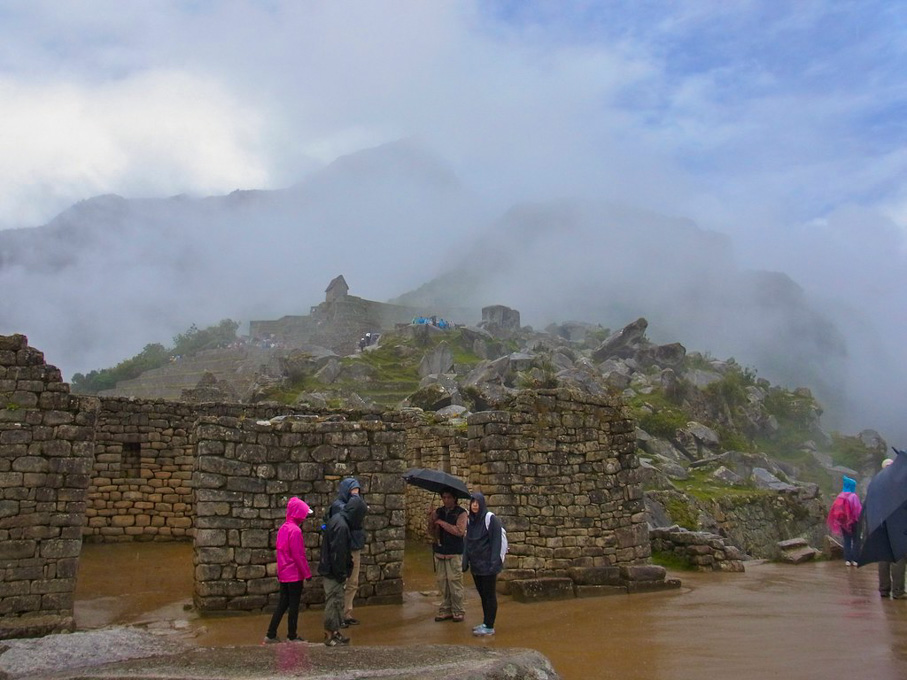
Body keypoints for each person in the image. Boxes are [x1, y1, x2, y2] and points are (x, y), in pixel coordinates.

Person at [319, 494, 367, 646]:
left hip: (331, 570)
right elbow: (338, 554)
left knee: (337, 602)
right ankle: (330, 635)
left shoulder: (338, 520)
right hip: (333, 572)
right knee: (334, 602)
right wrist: (342, 574)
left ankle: (335, 632)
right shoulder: (342, 526)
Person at [263, 497, 313, 644]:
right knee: (294, 606)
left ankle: (271, 633)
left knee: (282, 604)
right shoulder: (296, 531)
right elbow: (299, 556)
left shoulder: (283, 528)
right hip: (294, 575)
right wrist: (307, 574)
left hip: (284, 573)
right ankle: (292, 635)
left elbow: (281, 551)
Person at [327, 478, 368, 628]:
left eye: (357, 490)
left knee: (353, 582)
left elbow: (360, 509)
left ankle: (346, 612)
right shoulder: (338, 506)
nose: (355, 493)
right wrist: (356, 498)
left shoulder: (355, 503)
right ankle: (339, 615)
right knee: (341, 583)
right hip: (343, 548)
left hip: (355, 547)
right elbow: (352, 512)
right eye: (352, 490)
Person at [462, 491, 503, 636]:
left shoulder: (490, 519)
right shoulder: (470, 521)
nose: (474, 505)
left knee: (489, 595)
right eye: (473, 502)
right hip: (476, 566)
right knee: (483, 595)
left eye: (477, 502)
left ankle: (490, 626)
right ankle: (486, 622)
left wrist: (494, 562)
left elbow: (496, 541)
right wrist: (465, 560)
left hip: (488, 566)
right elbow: (468, 542)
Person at [428, 488, 467, 623]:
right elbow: (431, 532)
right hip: (440, 551)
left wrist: (442, 523)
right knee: (442, 582)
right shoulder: (439, 512)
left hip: (454, 552)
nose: (446, 500)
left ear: (454, 498)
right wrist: (431, 519)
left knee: (454, 582)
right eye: (444, 497)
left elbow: (459, 531)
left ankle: (458, 610)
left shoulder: (461, 513)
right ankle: (446, 609)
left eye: (449, 497)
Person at [876, 458, 907, 599]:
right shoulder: (898, 484)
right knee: (898, 558)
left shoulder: (878, 484)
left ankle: (884, 589)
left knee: (883, 557)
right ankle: (898, 591)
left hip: (880, 525)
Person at [826, 475, 862, 566]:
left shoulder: (840, 496)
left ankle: (847, 560)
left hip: (843, 522)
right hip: (854, 522)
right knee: (856, 540)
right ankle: (855, 559)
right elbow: (858, 510)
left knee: (847, 540)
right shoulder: (853, 496)